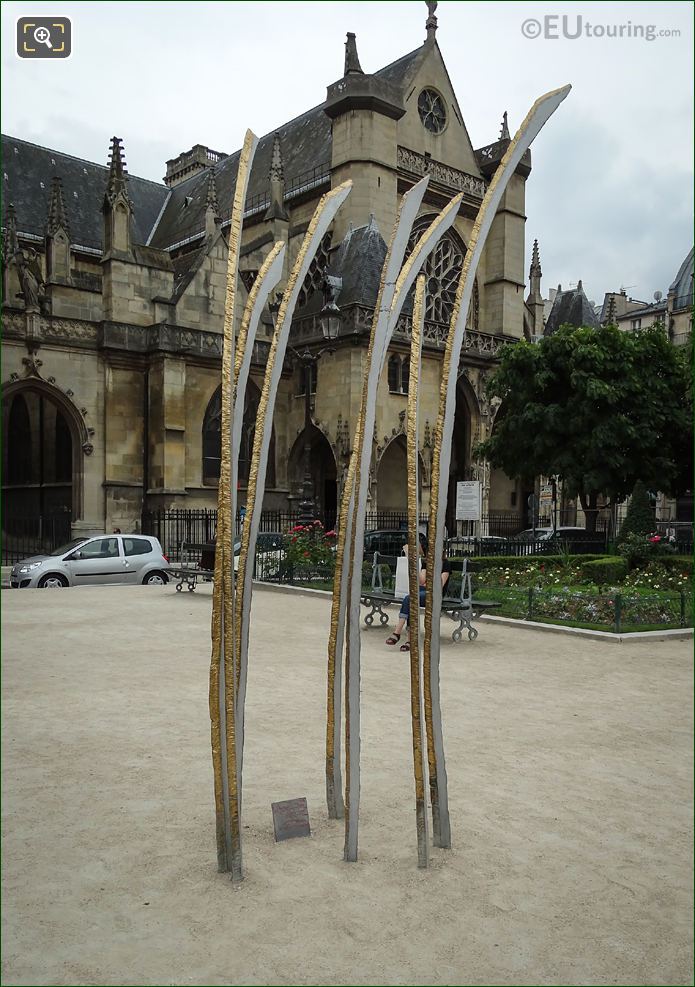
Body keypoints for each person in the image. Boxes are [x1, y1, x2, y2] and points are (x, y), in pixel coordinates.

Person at [385, 536, 451, 652]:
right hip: (422, 591)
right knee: (411, 601)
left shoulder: (445, 564)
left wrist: (429, 581)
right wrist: (412, 559)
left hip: (434, 594)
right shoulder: (426, 562)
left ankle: (398, 633)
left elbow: (439, 586)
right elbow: (421, 580)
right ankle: (409, 641)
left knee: (410, 599)